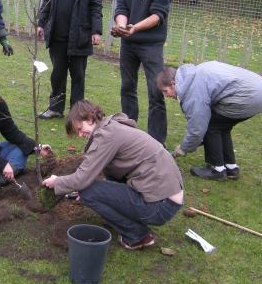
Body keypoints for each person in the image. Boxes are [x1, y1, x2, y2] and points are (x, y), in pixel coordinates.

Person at [43, 99, 183, 250]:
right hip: (166, 197)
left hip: (160, 206)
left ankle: (137, 236)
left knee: (89, 192)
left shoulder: (106, 136)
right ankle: (134, 225)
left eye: (79, 128)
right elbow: (104, 173)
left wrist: (57, 182)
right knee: (99, 184)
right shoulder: (114, 126)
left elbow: (82, 179)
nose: (80, 134)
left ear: (90, 118)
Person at [157, 61, 262, 180]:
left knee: (211, 125)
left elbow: (197, 129)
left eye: (165, 91)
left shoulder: (193, 90)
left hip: (250, 96)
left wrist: (182, 149)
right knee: (222, 126)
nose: (165, 95)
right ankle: (231, 168)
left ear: (173, 84)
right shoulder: (192, 75)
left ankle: (217, 169)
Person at [111, 0, 173, 145]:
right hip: (128, 43)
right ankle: (130, 136)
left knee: (156, 90)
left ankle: (156, 142)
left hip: (151, 43)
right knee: (127, 87)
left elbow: (159, 15)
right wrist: (121, 25)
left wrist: (134, 28)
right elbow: (121, 9)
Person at [36, 0, 103, 119]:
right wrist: (41, 22)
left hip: (80, 36)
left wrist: (96, 31)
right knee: (57, 74)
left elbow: (96, 6)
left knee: (78, 76)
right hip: (58, 35)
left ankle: (77, 113)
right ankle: (55, 109)